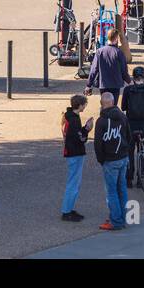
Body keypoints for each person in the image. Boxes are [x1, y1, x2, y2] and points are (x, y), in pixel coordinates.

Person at [94, 92, 131, 231]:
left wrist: (101, 159)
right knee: (122, 189)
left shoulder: (101, 121)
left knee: (111, 192)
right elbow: (128, 135)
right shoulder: (122, 116)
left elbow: (98, 143)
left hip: (110, 159)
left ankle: (116, 221)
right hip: (123, 156)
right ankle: (121, 217)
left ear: (102, 104)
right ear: (113, 102)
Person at [121, 67, 144, 185]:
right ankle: (140, 177)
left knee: (129, 151)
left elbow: (123, 107)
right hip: (143, 124)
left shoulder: (128, 90)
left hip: (130, 124)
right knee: (143, 150)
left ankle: (129, 177)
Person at [60, 94, 93, 222]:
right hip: (75, 153)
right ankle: (67, 211)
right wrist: (87, 128)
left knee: (73, 182)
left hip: (71, 152)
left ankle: (69, 208)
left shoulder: (70, 116)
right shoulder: (74, 120)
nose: (85, 106)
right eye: (84, 104)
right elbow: (80, 138)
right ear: (79, 105)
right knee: (73, 183)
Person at [87, 26, 131, 104]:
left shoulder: (99, 52)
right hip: (116, 84)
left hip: (103, 84)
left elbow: (94, 70)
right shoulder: (119, 53)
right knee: (113, 105)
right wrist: (130, 82)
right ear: (116, 38)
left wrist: (89, 85)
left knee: (105, 104)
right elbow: (124, 71)